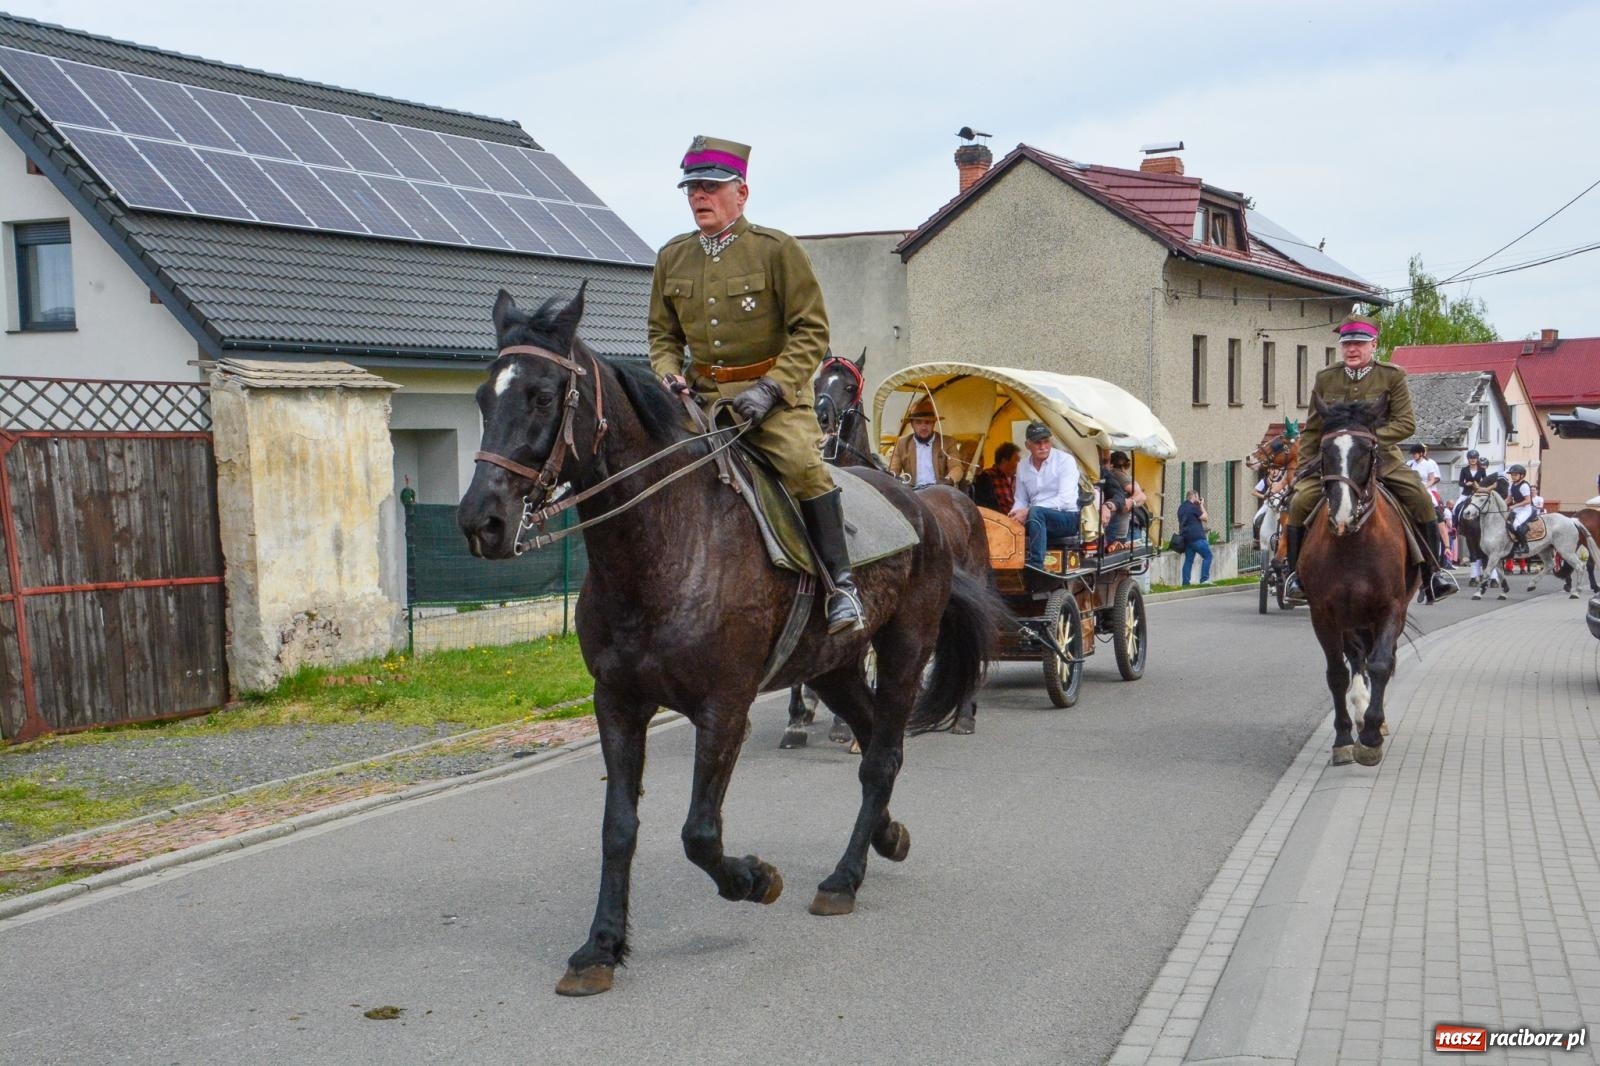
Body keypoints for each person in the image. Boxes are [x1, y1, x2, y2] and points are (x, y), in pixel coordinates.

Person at [648, 135, 861, 633]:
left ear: (741, 193)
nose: (699, 196)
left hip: (773, 401)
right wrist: (666, 373)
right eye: (692, 188)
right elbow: (662, 335)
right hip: (699, 402)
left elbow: (811, 331)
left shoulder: (776, 250)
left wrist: (772, 387)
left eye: (710, 187)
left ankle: (841, 585)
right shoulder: (672, 257)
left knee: (804, 466)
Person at [1283, 314, 1458, 604]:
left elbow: (1406, 423)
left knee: (1419, 497)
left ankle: (1433, 574)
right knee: (1299, 502)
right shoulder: (1326, 378)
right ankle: (1296, 578)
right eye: (1347, 343)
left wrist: (1370, 442)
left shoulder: (1391, 376)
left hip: (1380, 458)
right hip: (1334, 462)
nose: (1352, 349)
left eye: (1359, 343)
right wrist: (1305, 468)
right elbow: (1313, 429)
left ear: (1373, 345)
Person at [1009, 421, 1082, 577]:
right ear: (1027, 445)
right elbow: (1020, 498)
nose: (1043, 446)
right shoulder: (1022, 465)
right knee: (1006, 523)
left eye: (1046, 441)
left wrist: (1028, 511)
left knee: (1036, 513)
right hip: (1036, 518)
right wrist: (1014, 515)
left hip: (1067, 517)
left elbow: (1065, 499)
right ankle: (1008, 565)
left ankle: (1036, 567)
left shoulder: (1065, 460)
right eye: (1037, 442)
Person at [888, 397, 963, 487]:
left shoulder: (947, 442)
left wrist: (949, 480)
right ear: (912, 424)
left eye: (927, 422)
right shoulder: (902, 444)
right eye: (918, 422)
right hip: (913, 493)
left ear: (934, 423)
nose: (923, 427)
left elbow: (956, 467)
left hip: (941, 490)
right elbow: (893, 471)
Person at [1100, 450, 1146, 548]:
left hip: (1119, 527)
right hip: (1121, 529)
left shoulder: (1113, 475)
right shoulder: (1118, 474)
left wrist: (1131, 501)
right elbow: (1141, 495)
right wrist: (1132, 501)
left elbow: (1141, 496)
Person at [973, 441, 1021, 512]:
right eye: (1017, 461)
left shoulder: (1016, 480)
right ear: (1004, 461)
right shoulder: (986, 477)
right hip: (998, 521)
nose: (1020, 465)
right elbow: (985, 507)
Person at [1178, 490, 1212, 585]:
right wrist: (1201, 505)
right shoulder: (1193, 507)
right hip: (1197, 537)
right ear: (1193, 497)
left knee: (1188, 560)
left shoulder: (1181, 507)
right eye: (1197, 497)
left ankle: (1185, 582)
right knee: (1208, 556)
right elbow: (1205, 518)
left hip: (1186, 538)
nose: (1198, 499)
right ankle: (1204, 579)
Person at [1507, 464, 1535, 556]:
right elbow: (1509, 499)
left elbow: (1528, 501)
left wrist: (1514, 506)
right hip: (1517, 508)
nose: (1513, 476)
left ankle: (1524, 546)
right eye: (1512, 475)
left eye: (1515, 475)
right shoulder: (1512, 485)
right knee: (1506, 522)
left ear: (1521, 475)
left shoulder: (1524, 486)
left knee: (1516, 524)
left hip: (1526, 509)